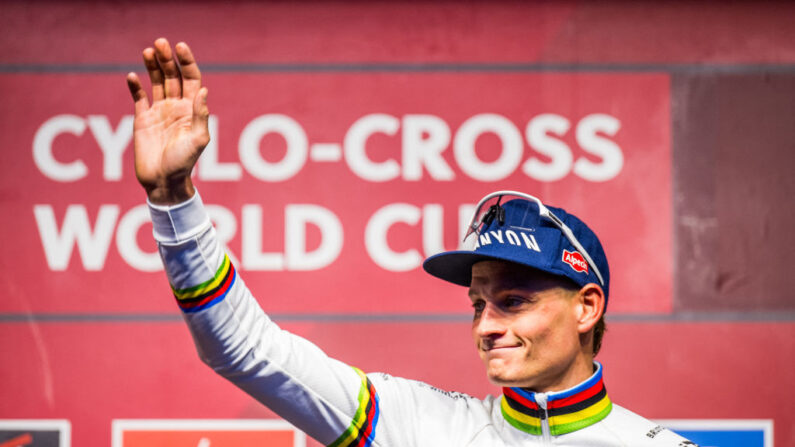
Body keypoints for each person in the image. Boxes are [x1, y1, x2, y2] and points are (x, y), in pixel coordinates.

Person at [127, 38, 697, 446]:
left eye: (514, 301)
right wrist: (174, 199)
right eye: (479, 304)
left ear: (586, 307)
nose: (486, 326)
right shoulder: (416, 425)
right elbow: (243, 350)